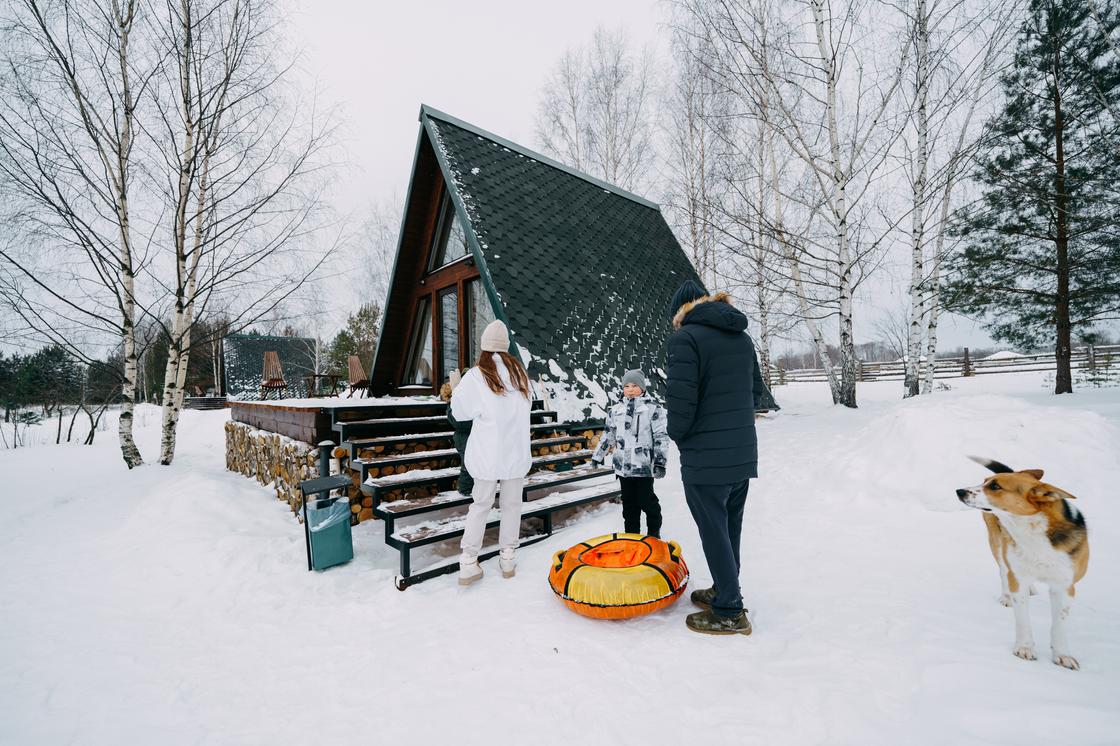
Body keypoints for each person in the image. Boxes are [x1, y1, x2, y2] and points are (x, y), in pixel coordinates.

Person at [666, 279, 766, 636]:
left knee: (713, 530)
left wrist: (679, 435)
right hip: (741, 452)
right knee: (728, 527)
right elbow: (756, 392)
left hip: (706, 455)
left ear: (681, 311)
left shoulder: (686, 339)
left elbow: (681, 402)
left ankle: (728, 610)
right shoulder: (741, 337)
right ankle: (726, 589)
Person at [450, 320, 532, 585]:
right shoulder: (520, 375)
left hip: (487, 455)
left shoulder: (477, 375)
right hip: (516, 454)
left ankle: (469, 561)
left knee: (480, 505)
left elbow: (460, 412)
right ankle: (508, 557)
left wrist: (456, 388)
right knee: (512, 506)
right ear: (505, 347)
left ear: (484, 347)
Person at [590, 369, 669, 537]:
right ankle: (632, 538)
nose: (630, 389)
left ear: (642, 388)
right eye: (626, 386)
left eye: (634, 385)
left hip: (643, 466)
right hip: (623, 468)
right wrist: (598, 455)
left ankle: (654, 535)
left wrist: (660, 462)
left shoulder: (652, 409)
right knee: (629, 505)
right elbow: (608, 435)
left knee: (647, 502)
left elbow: (661, 437)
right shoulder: (615, 409)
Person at [440, 371, 473, 497]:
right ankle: (465, 490)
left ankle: (471, 489)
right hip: (463, 437)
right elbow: (459, 422)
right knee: (467, 466)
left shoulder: (468, 399)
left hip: (471, 435)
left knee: (472, 465)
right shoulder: (453, 402)